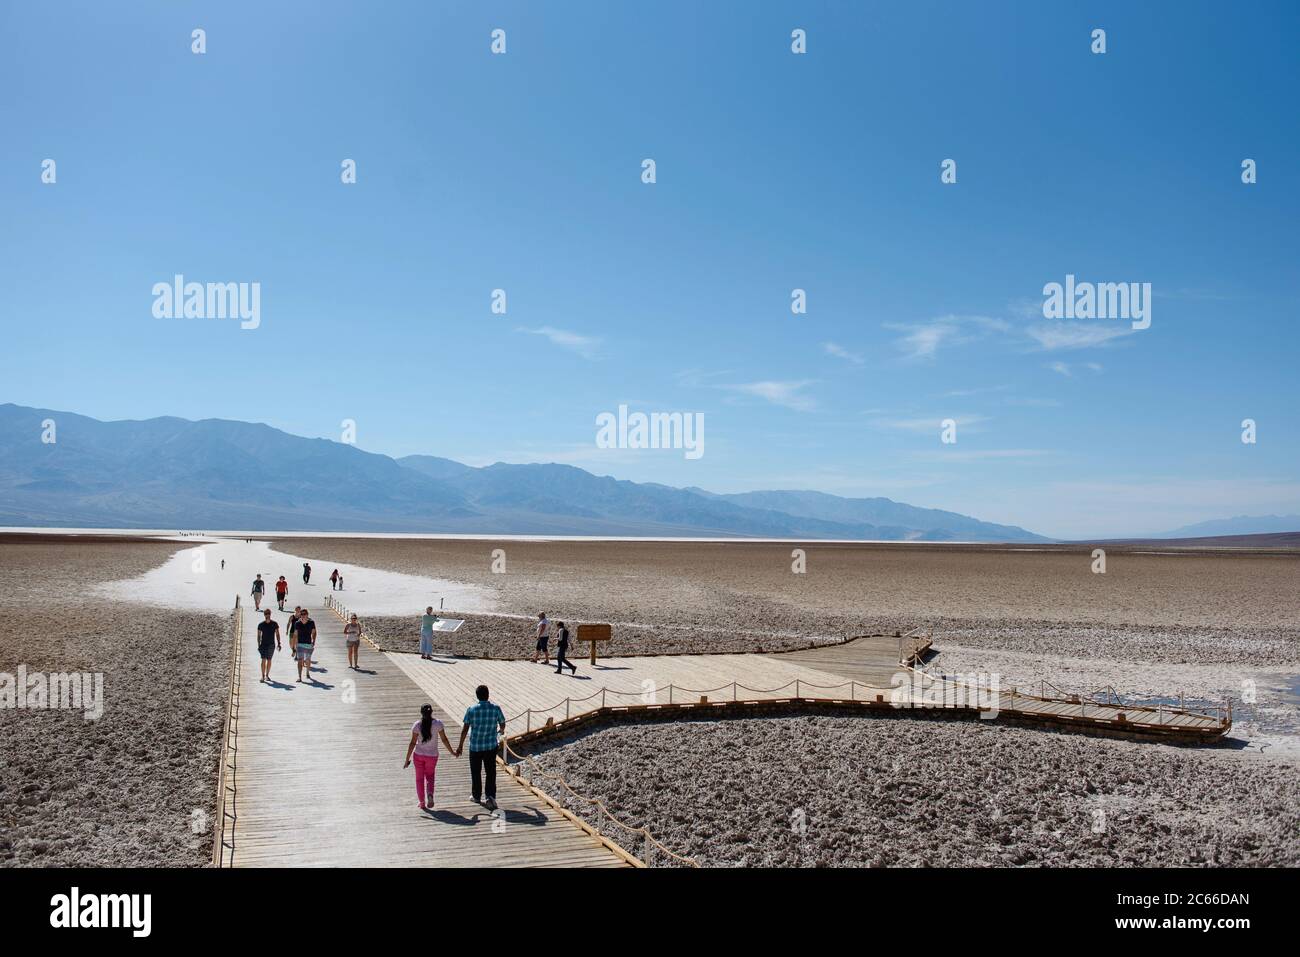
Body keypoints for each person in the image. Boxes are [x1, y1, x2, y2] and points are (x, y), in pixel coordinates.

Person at [455, 685, 506, 810]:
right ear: (488, 695)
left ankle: (476, 795)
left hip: (475, 746)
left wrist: (460, 745)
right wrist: (500, 731)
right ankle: (490, 796)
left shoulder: (471, 709)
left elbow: (465, 728)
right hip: (490, 746)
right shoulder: (495, 708)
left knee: (476, 772)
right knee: (490, 772)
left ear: (477, 696)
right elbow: (502, 722)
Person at [403, 704, 456, 810]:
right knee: (430, 776)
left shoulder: (417, 725)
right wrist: (452, 752)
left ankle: (422, 802)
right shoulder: (438, 724)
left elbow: (413, 743)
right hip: (432, 756)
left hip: (418, 755)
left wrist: (407, 759)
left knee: (419, 779)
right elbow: (444, 739)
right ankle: (430, 794)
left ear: (421, 713)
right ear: (431, 712)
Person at [290, 608, 317, 683]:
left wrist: (313, 641)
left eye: (304, 614)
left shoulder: (311, 622)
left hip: (308, 644)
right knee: (300, 660)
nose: (303, 616)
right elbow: (295, 635)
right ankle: (299, 677)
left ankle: (307, 672)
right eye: (301, 614)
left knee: (307, 660)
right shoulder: (297, 623)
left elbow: (314, 632)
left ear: (307, 615)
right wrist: (294, 647)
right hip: (300, 644)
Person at [256, 608, 281, 682]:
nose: (267, 615)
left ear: (270, 614)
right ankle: (262, 676)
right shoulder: (261, 624)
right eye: (266, 614)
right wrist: (258, 645)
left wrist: (279, 643)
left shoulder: (274, 624)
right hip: (263, 644)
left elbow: (277, 634)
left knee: (269, 660)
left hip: (271, 644)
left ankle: (267, 675)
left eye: (268, 613)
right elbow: (258, 635)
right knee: (263, 659)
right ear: (264, 615)